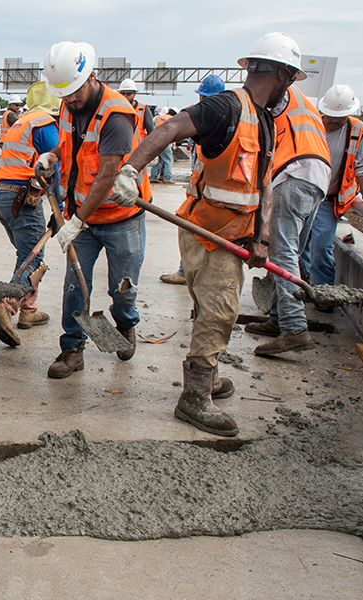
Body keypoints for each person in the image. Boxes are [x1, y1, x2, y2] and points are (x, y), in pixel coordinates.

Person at [112, 32, 303, 436]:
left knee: (211, 309)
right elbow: (168, 130)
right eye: (292, 79)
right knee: (219, 311)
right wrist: (132, 170)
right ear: (283, 74)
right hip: (204, 231)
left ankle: (208, 374)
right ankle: (195, 396)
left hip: (233, 235)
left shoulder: (265, 121)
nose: (290, 87)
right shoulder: (226, 107)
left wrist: (261, 238)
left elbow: (263, 184)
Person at [36, 41, 151, 379]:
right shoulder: (67, 105)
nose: (70, 99)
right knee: (75, 284)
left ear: (92, 77)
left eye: (74, 91)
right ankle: (72, 349)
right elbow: (72, 142)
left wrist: (75, 222)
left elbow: (106, 177)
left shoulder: (116, 114)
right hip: (82, 217)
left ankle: (126, 324)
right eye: (64, 94)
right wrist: (53, 155)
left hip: (120, 218)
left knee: (122, 287)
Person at [246, 76, 331, 357]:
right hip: (317, 178)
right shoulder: (304, 104)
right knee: (292, 254)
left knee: (282, 255)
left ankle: (294, 329)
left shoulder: (279, 94)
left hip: (293, 175)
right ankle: (278, 321)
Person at [0, 81, 61, 346]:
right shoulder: (45, 124)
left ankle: (29, 311)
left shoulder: (22, 122)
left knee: (27, 256)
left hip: (3, 195)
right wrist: (61, 209)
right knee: (32, 258)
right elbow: (55, 166)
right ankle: (5, 309)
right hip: (21, 198)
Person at [299, 84, 363, 289]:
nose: (334, 121)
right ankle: (303, 284)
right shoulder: (310, 124)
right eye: (331, 116)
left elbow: (362, 163)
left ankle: (323, 291)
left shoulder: (356, 130)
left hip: (328, 200)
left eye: (340, 117)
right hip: (302, 195)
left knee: (321, 248)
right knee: (297, 247)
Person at [160, 75, 226, 286]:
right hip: (199, 191)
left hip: (215, 194)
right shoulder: (198, 119)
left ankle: (194, 274)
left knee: (203, 234)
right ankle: (185, 272)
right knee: (189, 229)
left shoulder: (224, 122)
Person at [0, 94, 25, 180]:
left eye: (19, 105)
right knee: (6, 158)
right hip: (8, 141)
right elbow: (21, 125)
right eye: (16, 105)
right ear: (11, 104)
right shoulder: (11, 115)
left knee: (5, 158)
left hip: (5, 141)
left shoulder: (7, 113)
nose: (18, 107)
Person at [117, 78, 155, 144]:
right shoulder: (116, 109)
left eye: (129, 94)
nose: (125, 96)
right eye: (123, 94)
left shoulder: (143, 109)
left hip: (139, 150)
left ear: (135, 93)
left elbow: (151, 133)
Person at [150, 107, 177, 183]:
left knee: (158, 160)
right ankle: (167, 178)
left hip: (155, 139)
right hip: (164, 140)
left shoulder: (158, 117)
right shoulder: (171, 118)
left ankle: (153, 177)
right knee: (168, 160)